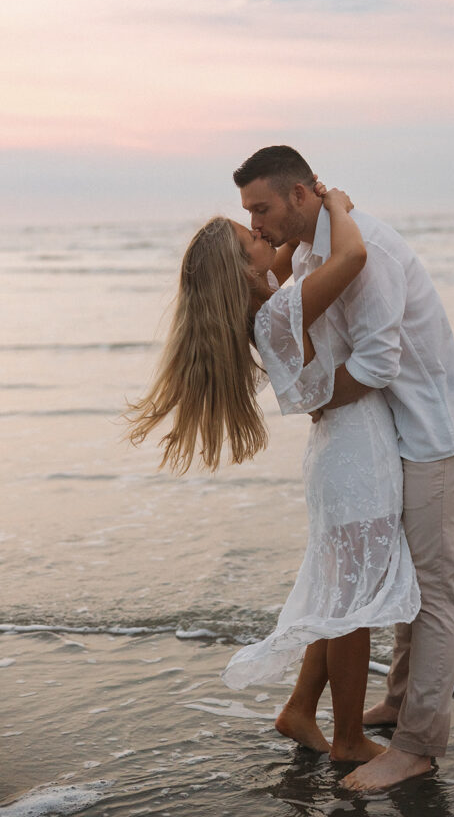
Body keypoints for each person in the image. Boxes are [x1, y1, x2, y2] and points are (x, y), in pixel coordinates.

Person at [126, 186, 420, 763]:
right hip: (354, 457)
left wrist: (294, 226)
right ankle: (349, 739)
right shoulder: (281, 310)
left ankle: (300, 710)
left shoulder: (269, 305)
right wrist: (336, 205)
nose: (258, 231)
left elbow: (283, 254)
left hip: (342, 453)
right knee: (350, 611)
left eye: (255, 224)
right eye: (247, 238)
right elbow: (353, 257)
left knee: (340, 597)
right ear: (240, 269)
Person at [234, 146, 454, 791]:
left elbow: (376, 364)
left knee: (429, 591)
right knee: (396, 582)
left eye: (262, 208)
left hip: (434, 432)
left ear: (299, 194)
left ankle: (418, 743)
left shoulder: (359, 247)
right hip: (387, 435)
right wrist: (319, 403)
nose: (258, 224)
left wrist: (318, 401)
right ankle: (403, 705)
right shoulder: (321, 250)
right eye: (248, 217)